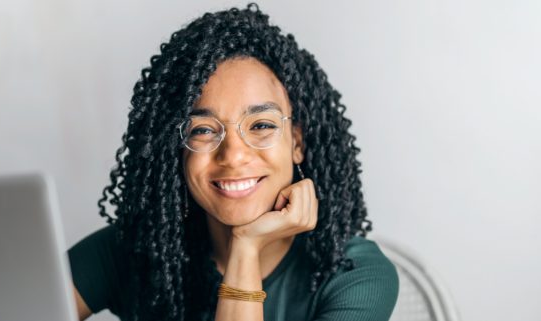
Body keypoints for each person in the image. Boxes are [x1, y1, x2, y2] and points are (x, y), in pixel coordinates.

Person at [67, 4, 398, 321]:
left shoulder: (355, 276)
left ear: (296, 142)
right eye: (203, 130)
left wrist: (246, 245)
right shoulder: (134, 249)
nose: (234, 155)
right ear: (176, 150)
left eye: (261, 125)